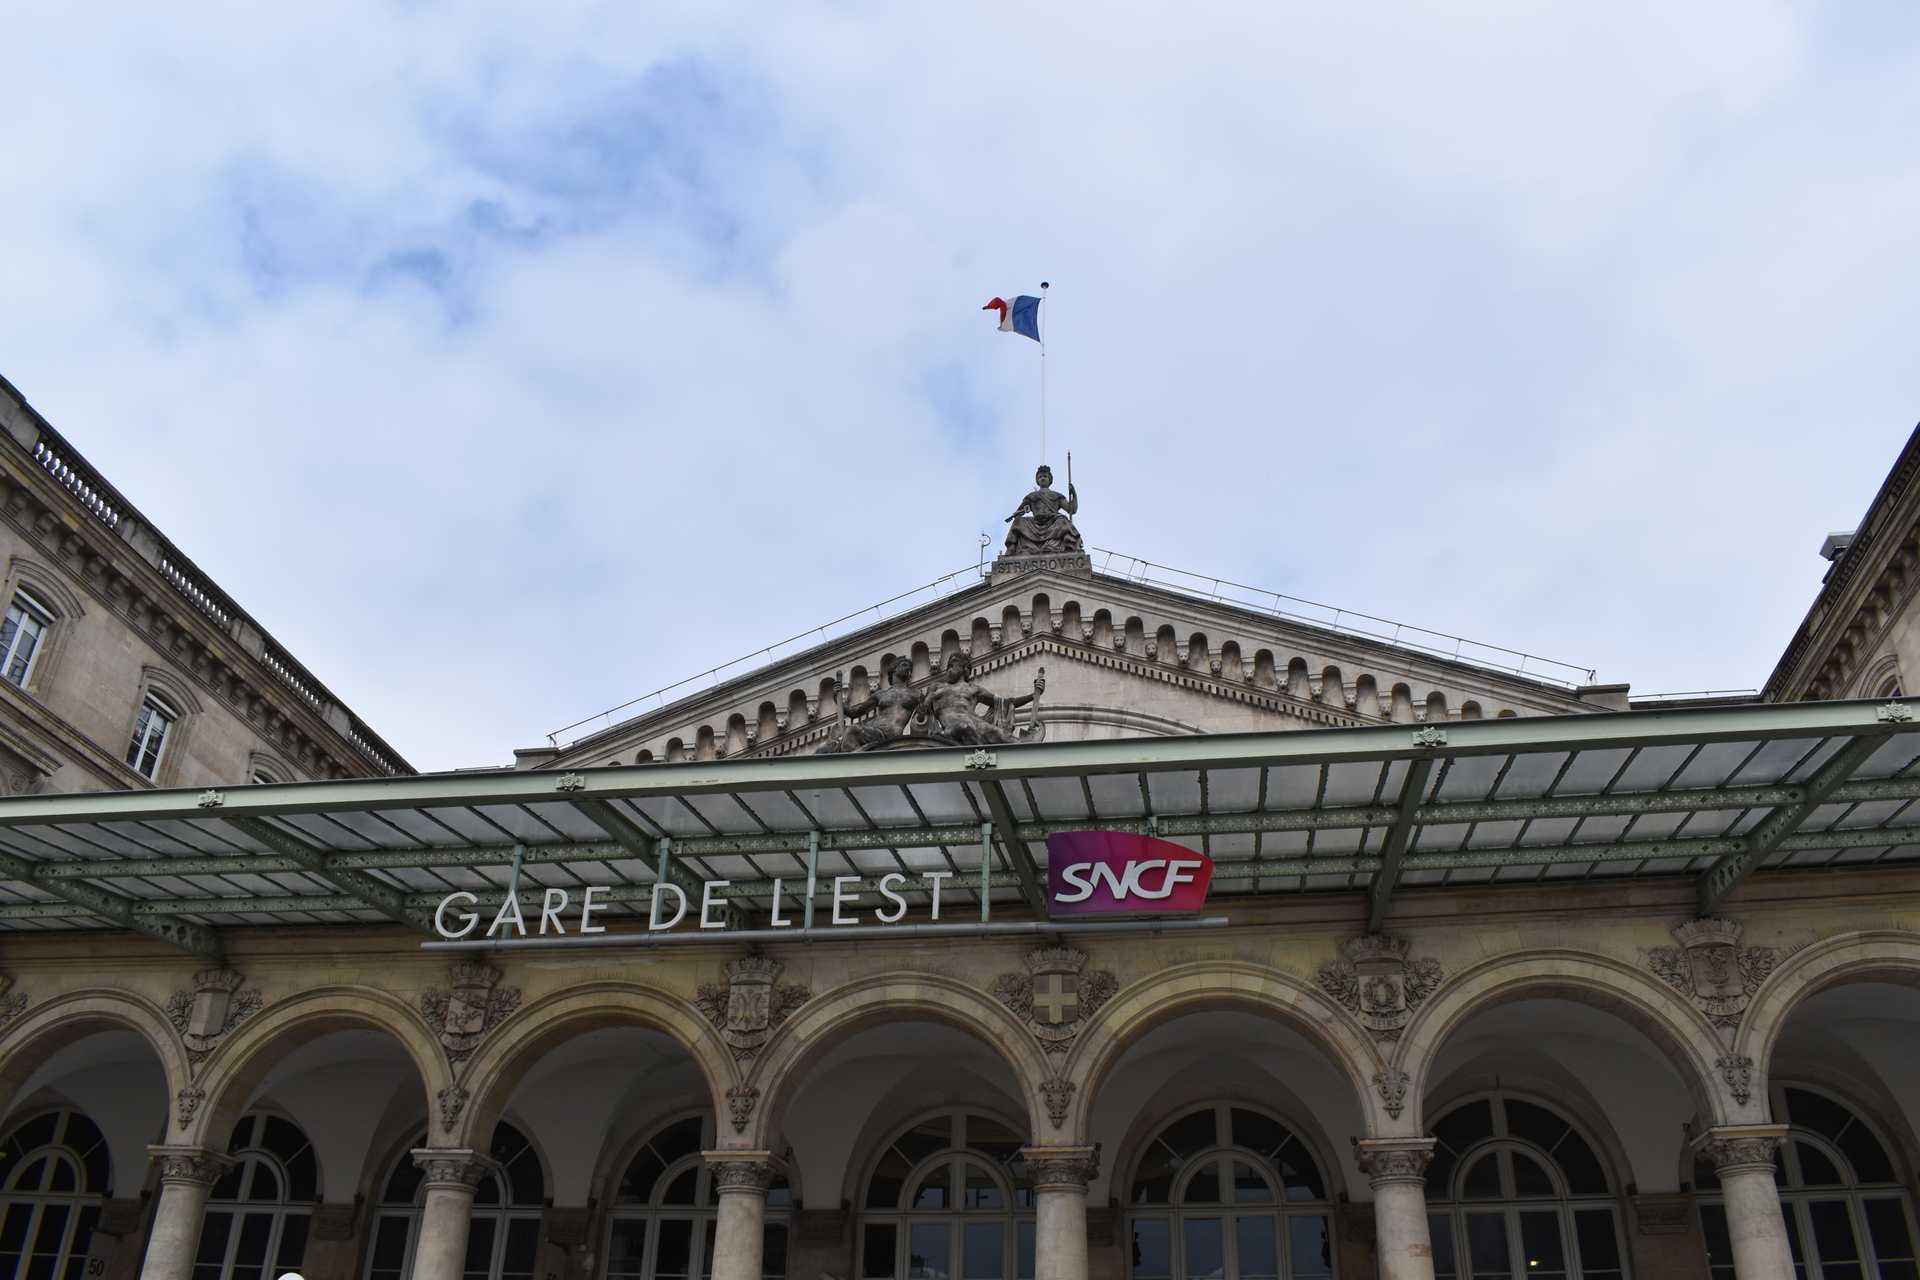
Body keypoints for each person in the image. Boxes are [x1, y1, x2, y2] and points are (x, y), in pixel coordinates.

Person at [1003, 464, 1081, 555]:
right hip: (1035, 522)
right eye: (1040, 477)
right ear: (1037, 480)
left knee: (1063, 521)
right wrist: (1022, 511)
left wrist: (1074, 494)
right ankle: (1011, 548)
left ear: (1050, 479)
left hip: (1053, 521)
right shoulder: (1031, 496)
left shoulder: (1057, 495)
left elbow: (1071, 509)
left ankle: (1069, 547)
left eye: (1045, 476)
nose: (1042, 478)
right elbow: (1018, 513)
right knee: (1018, 521)